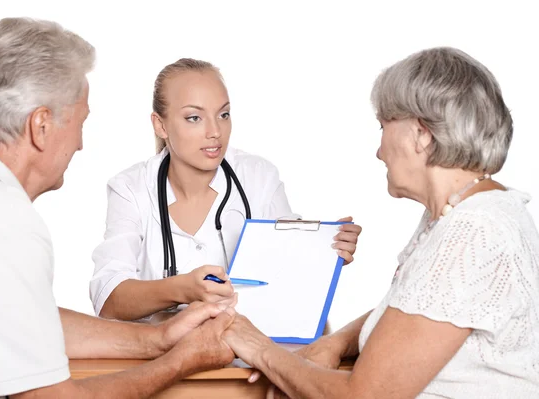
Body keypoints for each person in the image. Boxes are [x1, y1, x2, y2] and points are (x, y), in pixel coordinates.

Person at [0, 17, 238, 399]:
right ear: (41, 126)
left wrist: (158, 338)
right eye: (80, 121)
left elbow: (29, 320)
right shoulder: (3, 220)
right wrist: (180, 361)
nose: (80, 144)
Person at [222, 47, 539, 398]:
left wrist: (261, 349)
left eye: (384, 125)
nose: (379, 151)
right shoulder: (468, 211)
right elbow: (421, 311)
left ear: (421, 134)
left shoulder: (474, 230)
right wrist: (338, 342)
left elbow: (365, 397)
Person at [89, 58, 363, 321]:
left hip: (243, 355)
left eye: (223, 114)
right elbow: (109, 298)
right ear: (160, 125)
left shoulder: (258, 177)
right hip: (161, 357)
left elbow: (287, 274)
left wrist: (324, 249)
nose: (215, 131)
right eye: (194, 118)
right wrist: (183, 289)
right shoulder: (131, 188)